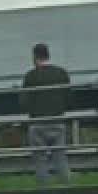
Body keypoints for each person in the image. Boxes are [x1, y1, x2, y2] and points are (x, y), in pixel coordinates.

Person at [21, 43, 73, 186]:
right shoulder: (62, 73)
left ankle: (44, 190)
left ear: (34, 56)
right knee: (60, 158)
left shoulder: (30, 76)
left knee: (40, 160)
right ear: (48, 55)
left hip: (37, 123)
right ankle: (66, 187)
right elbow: (69, 98)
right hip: (57, 121)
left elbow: (24, 102)